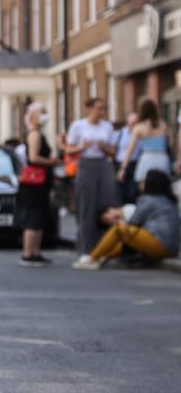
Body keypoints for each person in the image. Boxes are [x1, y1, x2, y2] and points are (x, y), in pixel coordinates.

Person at [73, 169, 180, 269]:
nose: (141, 183)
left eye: (144, 181)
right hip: (172, 248)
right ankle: (101, 257)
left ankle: (92, 258)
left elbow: (134, 223)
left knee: (119, 230)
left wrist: (121, 222)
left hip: (159, 243)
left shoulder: (147, 199)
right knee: (129, 237)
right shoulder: (169, 200)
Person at [66, 97, 119, 263]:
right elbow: (69, 150)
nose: (101, 112)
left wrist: (105, 148)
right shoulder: (78, 126)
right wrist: (82, 147)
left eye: (103, 109)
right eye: (98, 108)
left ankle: (104, 248)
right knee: (87, 207)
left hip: (103, 164)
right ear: (89, 109)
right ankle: (85, 249)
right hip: (86, 163)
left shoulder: (108, 127)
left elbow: (114, 152)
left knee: (105, 205)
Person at [17, 103, 58, 266]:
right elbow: (33, 158)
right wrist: (51, 161)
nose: (45, 115)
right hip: (35, 182)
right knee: (33, 216)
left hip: (40, 182)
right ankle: (28, 253)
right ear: (33, 115)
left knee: (40, 215)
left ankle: (35, 252)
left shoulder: (37, 133)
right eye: (42, 112)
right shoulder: (35, 134)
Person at [118, 98, 171, 192]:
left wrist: (123, 168)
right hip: (162, 157)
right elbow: (170, 143)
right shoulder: (163, 125)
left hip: (147, 158)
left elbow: (130, 150)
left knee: (144, 187)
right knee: (162, 186)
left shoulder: (139, 127)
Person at [114, 113, 141, 205]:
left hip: (135, 163)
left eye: (136, 122)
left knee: (134, 191)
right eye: (132, 122)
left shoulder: (140, 133)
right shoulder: (121, 132)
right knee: (122, 191)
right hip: (121, 163)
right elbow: (115, 147)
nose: (134, 124)